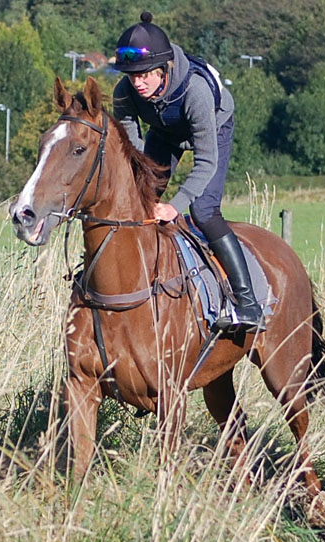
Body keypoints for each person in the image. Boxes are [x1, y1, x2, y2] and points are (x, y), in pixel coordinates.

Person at [111, 12, 263, 333]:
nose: (137, 83)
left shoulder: (196, 91)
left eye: (144, 75)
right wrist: (143, 189)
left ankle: (248, 303)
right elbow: (133, 150)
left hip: (214, 125)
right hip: (165, 130)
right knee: (139, 199)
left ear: (163, 68)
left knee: (203, 211)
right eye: (132, 76)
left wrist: (174, 206)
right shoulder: (125, 93)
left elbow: (206, 162)